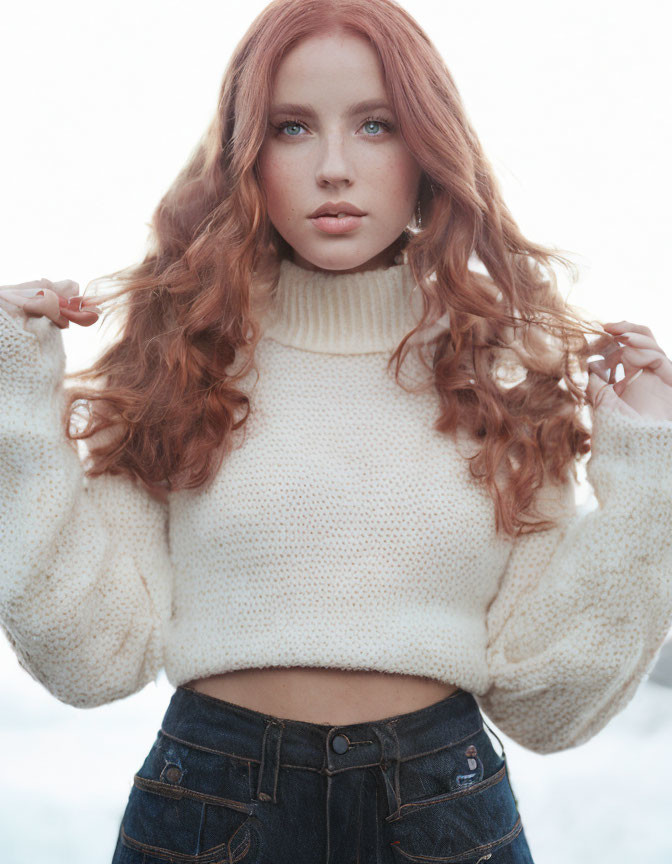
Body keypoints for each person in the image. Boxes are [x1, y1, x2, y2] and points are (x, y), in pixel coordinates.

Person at [1, 0, 671, 861]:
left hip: (444, 805)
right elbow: (90, 660)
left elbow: (551, 704)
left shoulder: (503, 376)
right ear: (246, 153)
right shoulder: (184, 359)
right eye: (291, 128)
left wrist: (649, 473)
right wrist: (17, 407)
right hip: (211, 799)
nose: (332, 168)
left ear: (428, 149)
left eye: (375, 125)